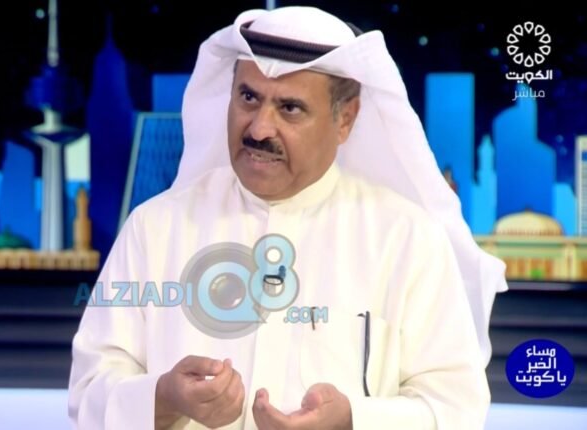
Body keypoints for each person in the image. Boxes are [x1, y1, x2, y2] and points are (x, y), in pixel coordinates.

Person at [68, 6, 507, 429]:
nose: (259, 128)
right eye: (248, 97)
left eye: (290, 108)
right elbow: (88, 392)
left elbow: (455, 408)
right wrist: (162, 400)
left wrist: (353, 422)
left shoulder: (406, 238)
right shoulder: (156, 227)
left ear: (345, 119)